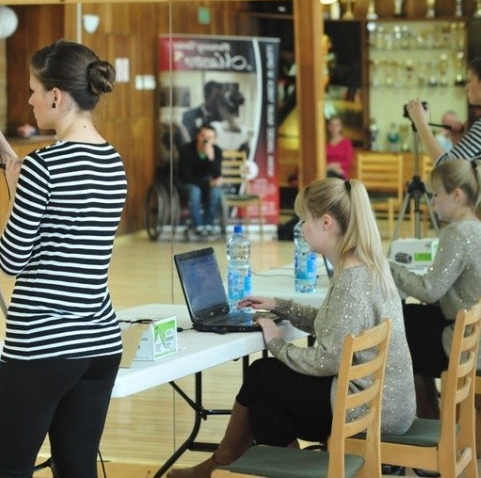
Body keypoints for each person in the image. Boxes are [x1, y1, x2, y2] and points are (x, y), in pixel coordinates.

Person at [169, 177, 416, 478]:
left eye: (304, 220)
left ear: (327, 223)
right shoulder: (365, 267)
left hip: (368, 409)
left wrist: (277, 344)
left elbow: (329, 359)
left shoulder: (351, 282)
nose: (299, 228)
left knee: (264, 374)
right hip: (384, 400)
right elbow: (333, 326)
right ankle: (226, 462)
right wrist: (280, 305)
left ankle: (220, 462)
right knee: (264, 410)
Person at [0, 40, 127, 478]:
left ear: (57, 96)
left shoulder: (44, 167)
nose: (31, 100)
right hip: (99, 342)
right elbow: (68, 226)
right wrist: (10, 160)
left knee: (5, 469)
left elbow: (11, 260)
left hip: (44, 342)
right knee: (77, 469)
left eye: (34, 90)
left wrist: (19, 179)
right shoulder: (112, 161)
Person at [390, 159, 481, 420]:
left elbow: (430, 291)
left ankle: (431, 428)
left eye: (436, 194)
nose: (433, 201)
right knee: (408, 319)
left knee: (404, 345)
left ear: (457, 196)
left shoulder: (458, 233)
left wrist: (388, 268)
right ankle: (430, 418)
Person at [405, 53, 481, 238]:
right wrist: (458, 140)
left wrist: (421, 124)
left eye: (469, 81)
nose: (466, 87)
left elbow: (446, 166)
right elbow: (470, 165)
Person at [178, 124, 224, 236]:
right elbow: (186, 177)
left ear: (214, 140)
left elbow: (217, 175)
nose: (206, 140)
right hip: (188, 184)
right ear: (198, 136)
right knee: (195, 191)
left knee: (217, 191)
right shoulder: (187, 150)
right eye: (203, 136)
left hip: (206, 185)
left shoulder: (216, 151)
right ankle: (198, 226)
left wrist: (211, 158)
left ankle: (208, 225)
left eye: (210, 137)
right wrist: (208, 183)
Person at [180, 81, 224, 145]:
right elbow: (187, 141)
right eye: (215, 99)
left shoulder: (221, 118)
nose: (218, 103)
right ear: (206, 96)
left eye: (220, 99)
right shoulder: (189, 116)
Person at [325, 115, 354, 179]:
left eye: (337, 125)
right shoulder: (325, 144)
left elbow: (348, 162)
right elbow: (322, 161)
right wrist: (329, 167)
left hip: (341, 173)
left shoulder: (346, 142)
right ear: (328, 127)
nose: (334, 128)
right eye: (332, 125)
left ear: (341, 127)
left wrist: (333, 166)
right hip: (326, 171)